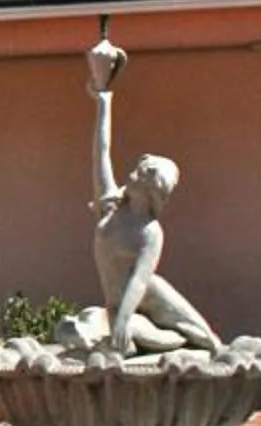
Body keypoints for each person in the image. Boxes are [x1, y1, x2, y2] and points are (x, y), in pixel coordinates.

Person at [86, 37, 218, 355]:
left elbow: (140, 281)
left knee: (198, 334)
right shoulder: (112, 207)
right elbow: (101, 152)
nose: (131, 173)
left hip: (146, 301)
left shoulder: (149, 233)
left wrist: (122, 321)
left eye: (140, 173)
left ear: (151, 190)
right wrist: (103, 101)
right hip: (118, 309)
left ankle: (212, 350)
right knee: (86, 329)